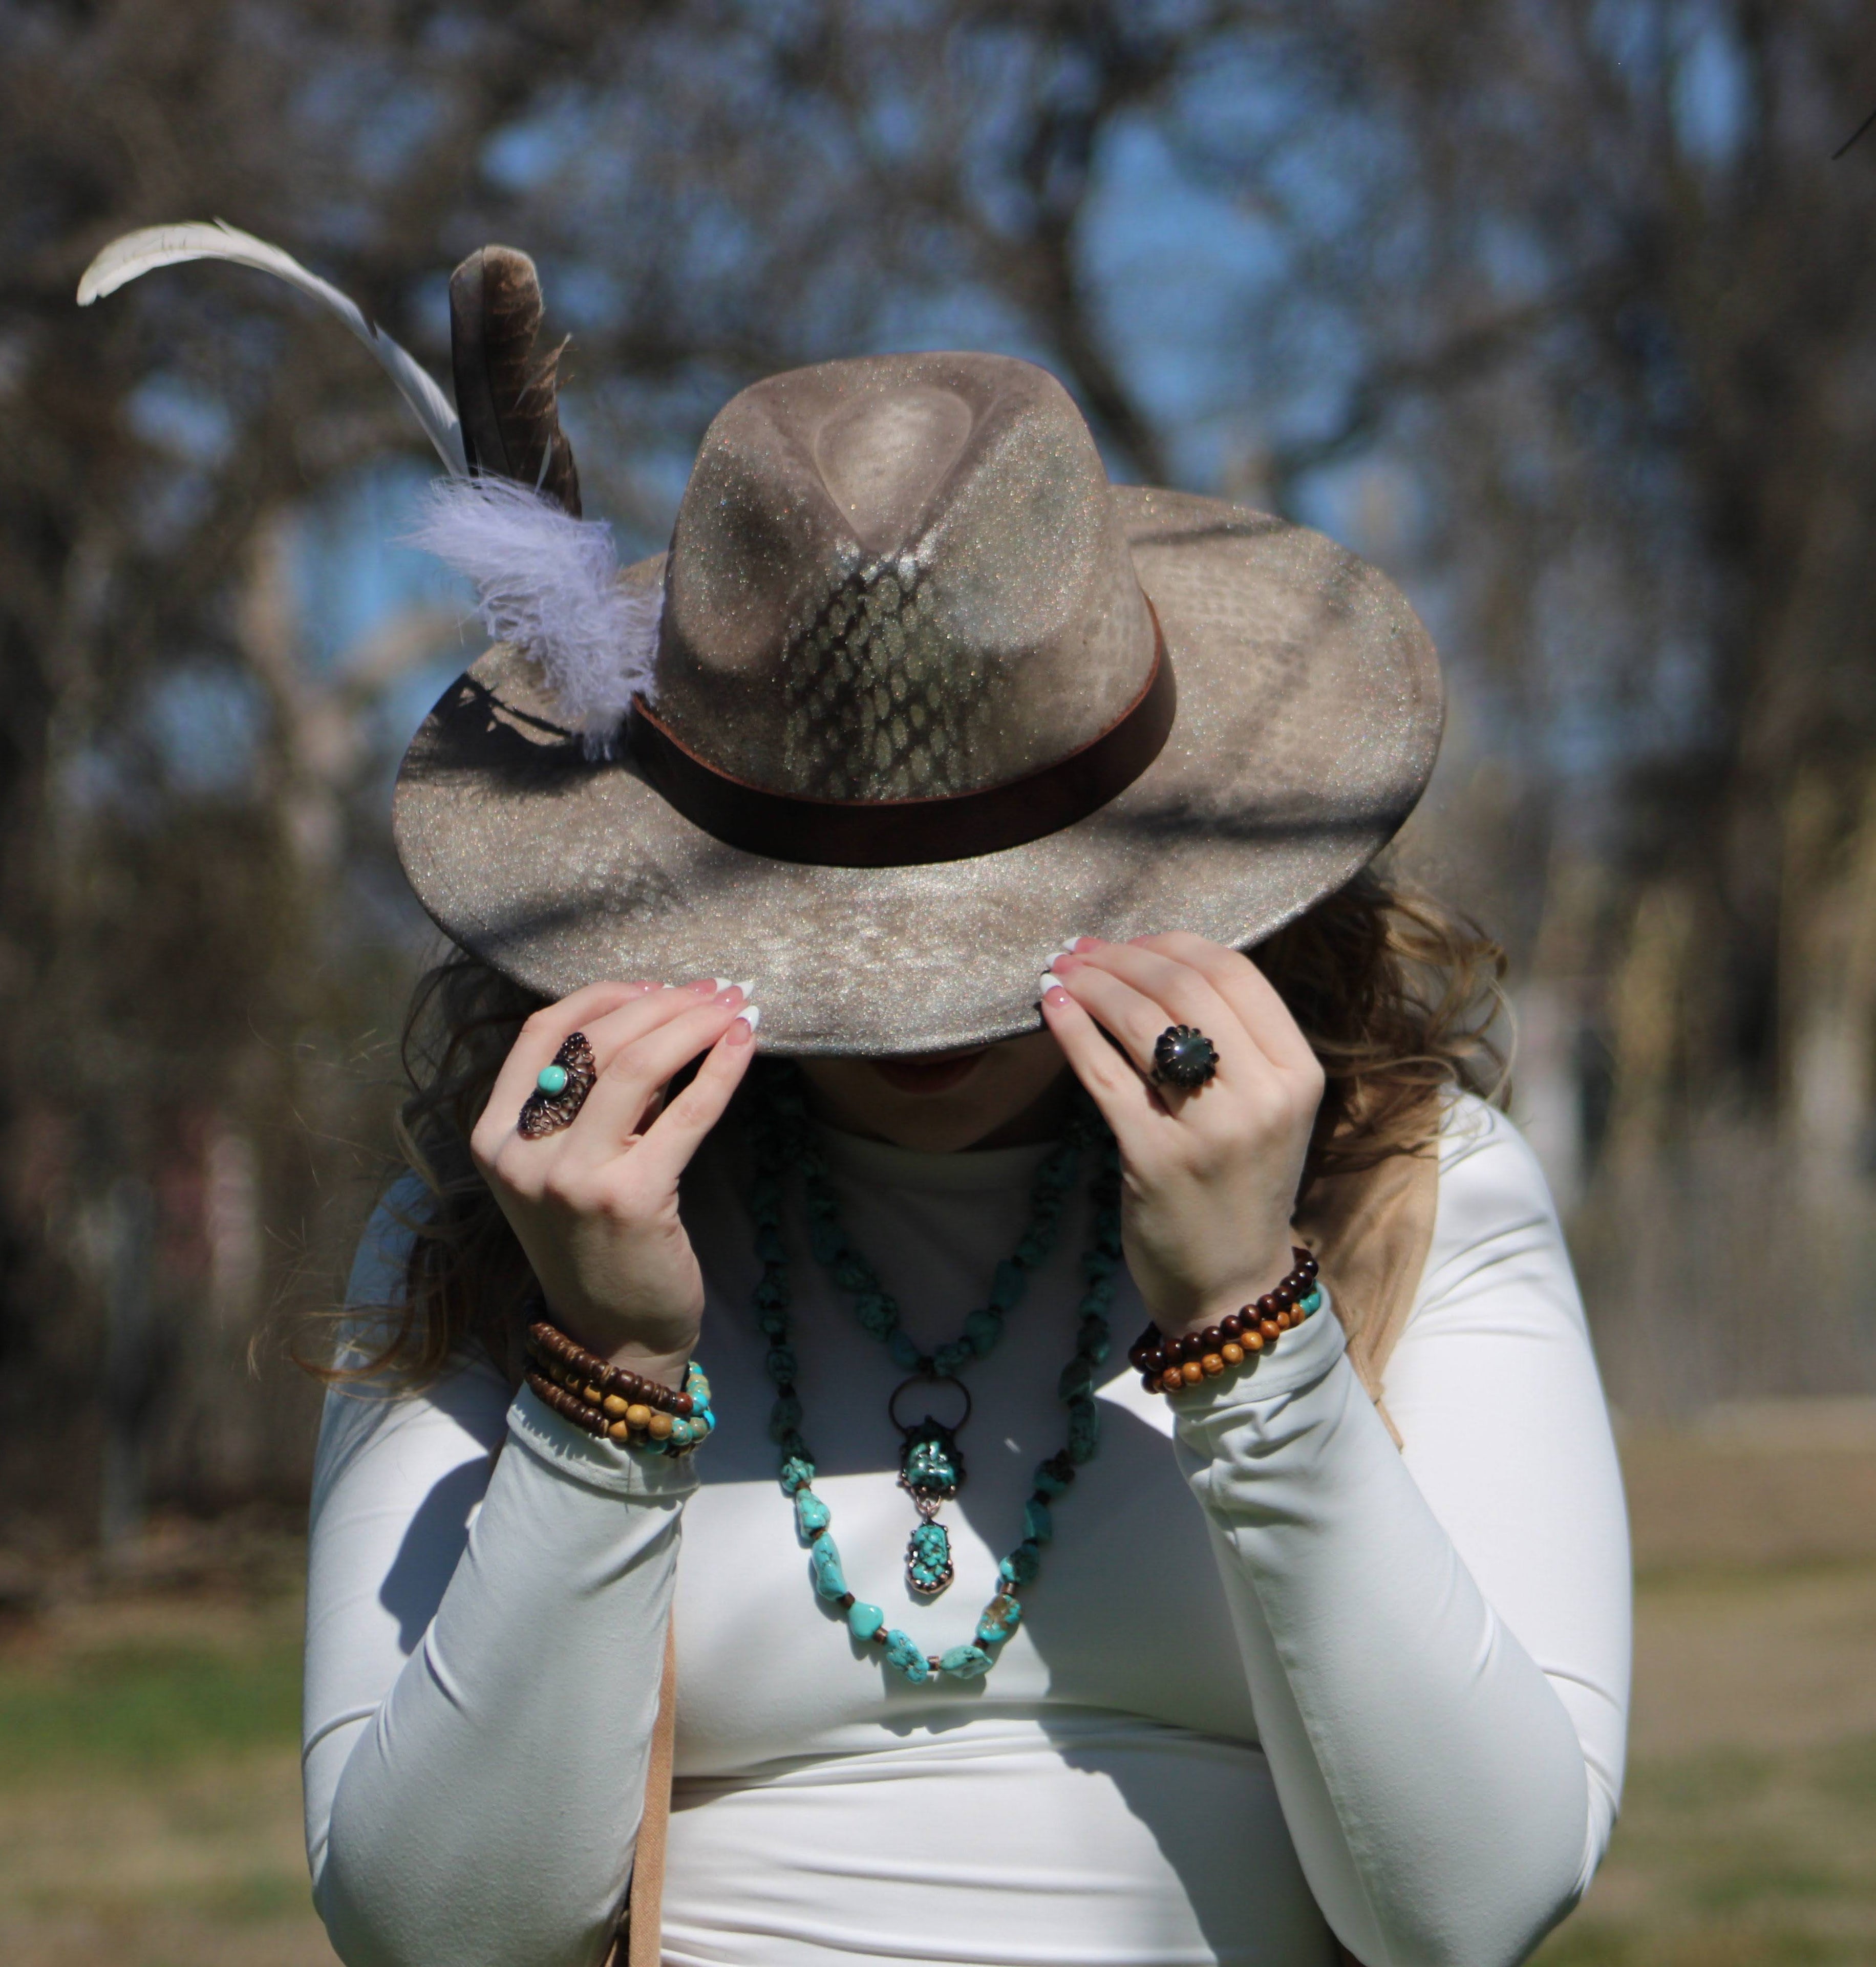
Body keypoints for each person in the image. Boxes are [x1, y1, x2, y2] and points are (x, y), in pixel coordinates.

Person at [82, 231, 1631, 1967]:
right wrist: (606, 1379)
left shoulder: (1411, 1193)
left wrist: (1254, 1328)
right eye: (831, 928)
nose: (918, 1006)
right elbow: (440, 1931)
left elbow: (1479, 1898)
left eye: (1006, 910)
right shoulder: (503, 1226)